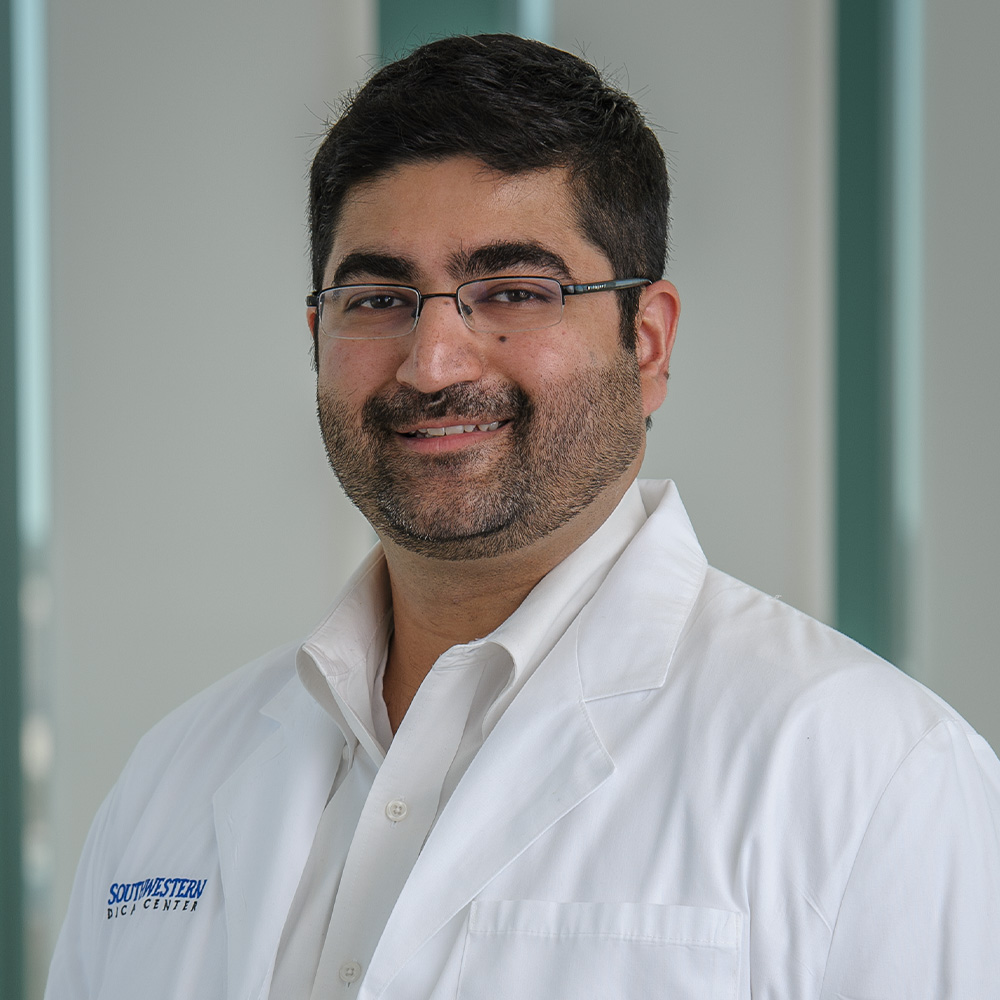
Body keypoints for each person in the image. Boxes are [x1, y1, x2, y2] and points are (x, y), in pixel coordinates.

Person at [46, 33, 1000, 1000]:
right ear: (316, 338)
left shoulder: (875, 775)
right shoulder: (168, 778)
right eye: (378, 299)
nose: (433, 364)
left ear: (647, 342)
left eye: (514, 292)